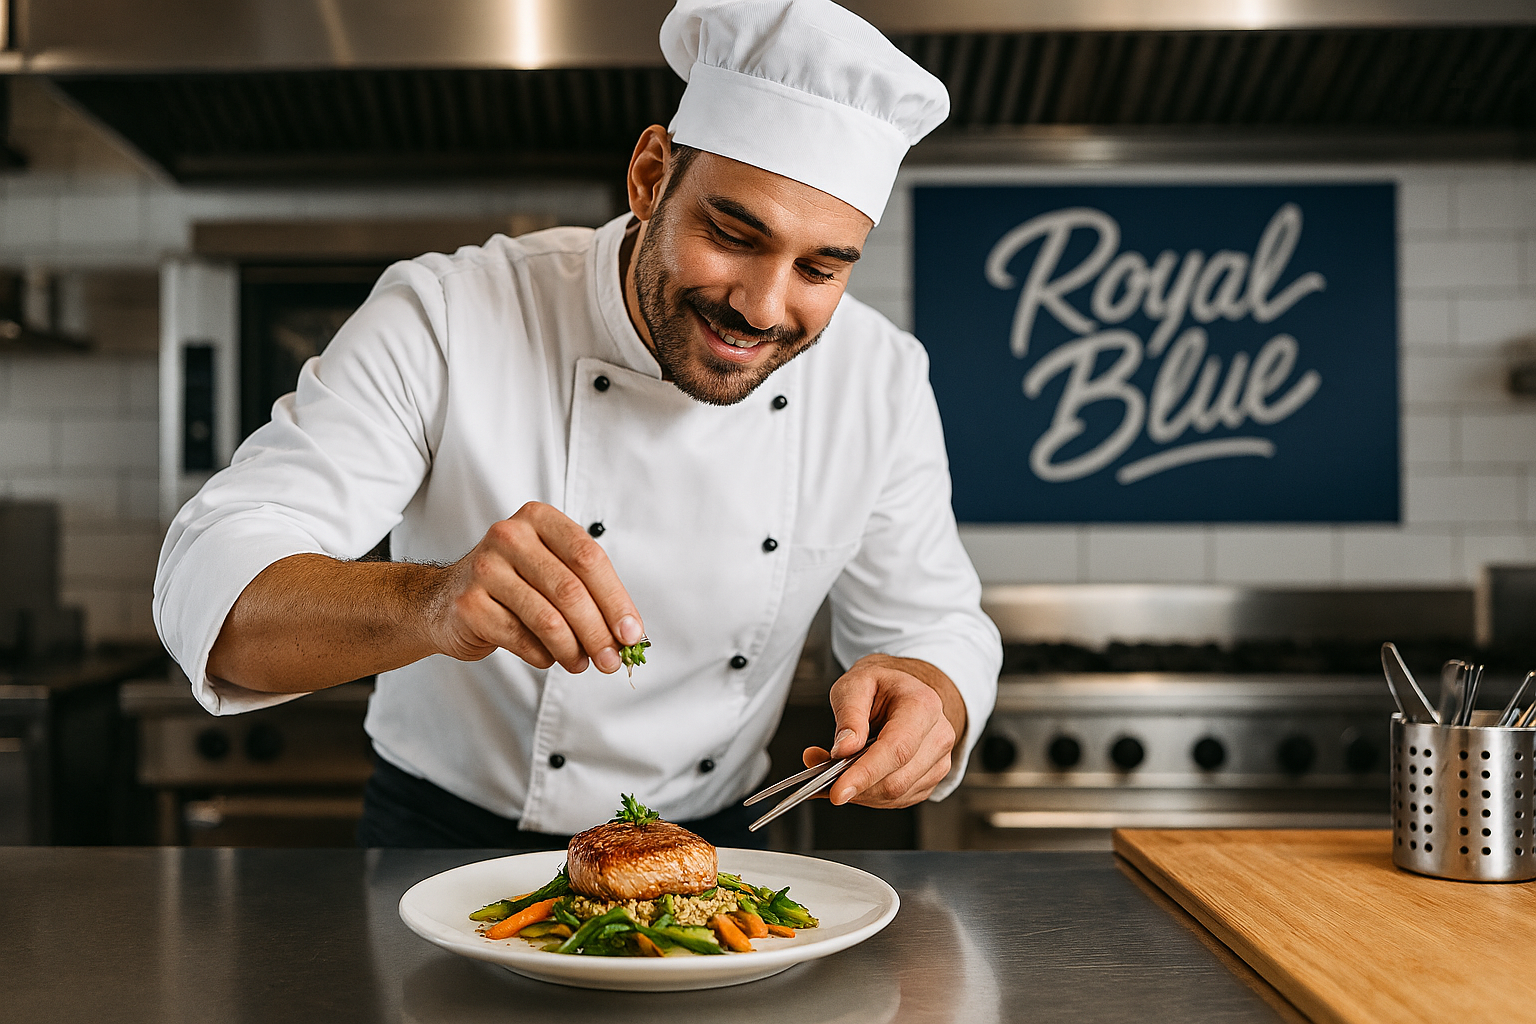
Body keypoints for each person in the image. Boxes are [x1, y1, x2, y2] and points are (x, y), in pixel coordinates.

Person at [153, 0, 1001, 849]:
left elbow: (929, 625)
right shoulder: (449, 313)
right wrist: (433, 602)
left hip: (717, 849)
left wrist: (930, 693)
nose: (762, 307)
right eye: (733, 235)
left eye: (820, 268)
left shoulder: (878, 378)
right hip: (442, 842)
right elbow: (212, 583)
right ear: (649, 177)